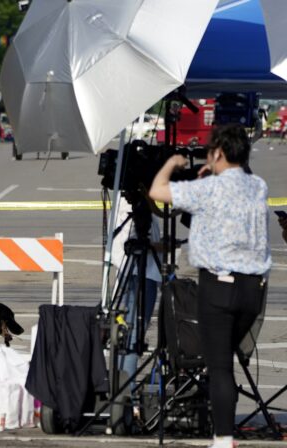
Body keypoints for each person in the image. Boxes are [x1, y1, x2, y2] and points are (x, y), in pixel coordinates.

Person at [149, 124, 271, 448]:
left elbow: (157, 191)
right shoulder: (258, 186)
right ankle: (224, 434)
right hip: (252, 291)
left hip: (218, 286)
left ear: (217, 152)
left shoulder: (208, 190)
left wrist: (173, 165)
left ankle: (223, 439)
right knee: (225, 361)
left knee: (218, 367)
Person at [111, 191, 161, 405]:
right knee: (132, 334)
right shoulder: (133, 201)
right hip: (139, 271)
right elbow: (136, 241)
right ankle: (125, 394)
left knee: (127, 331)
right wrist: (163, 245)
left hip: (130, 269)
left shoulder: (129, 196)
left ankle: (121, 390)